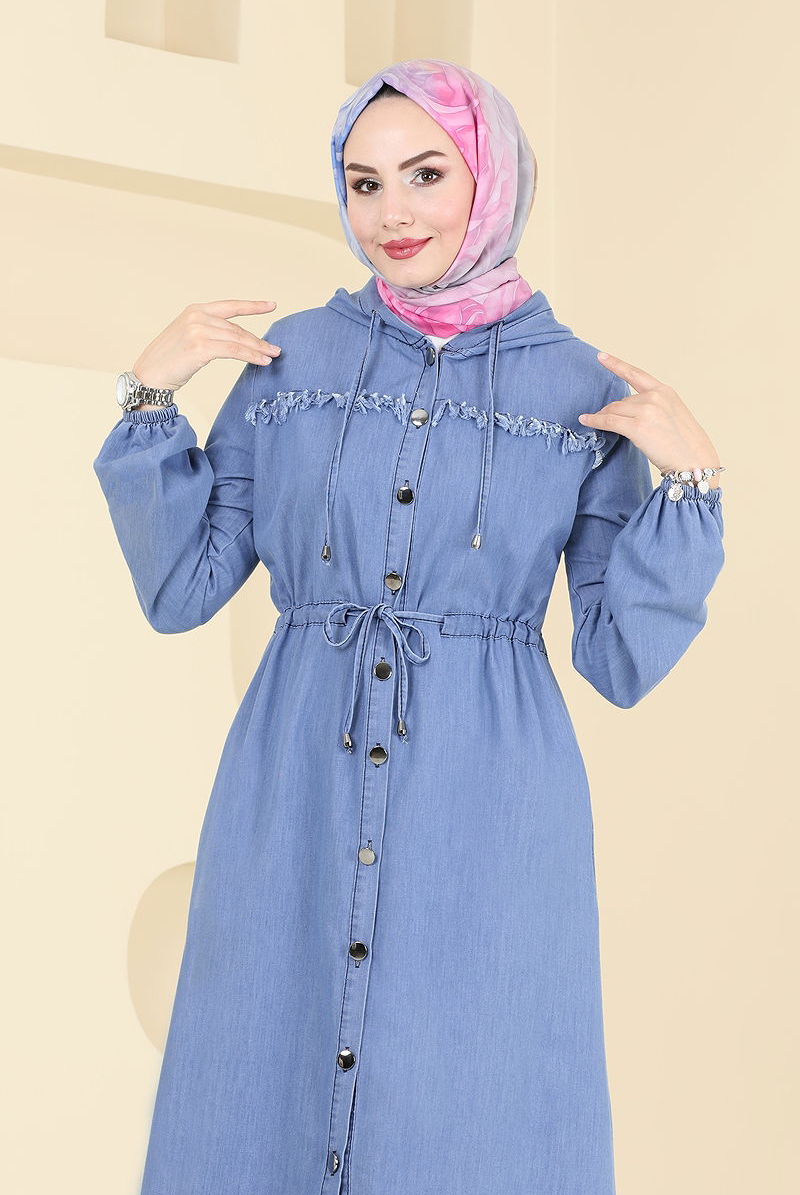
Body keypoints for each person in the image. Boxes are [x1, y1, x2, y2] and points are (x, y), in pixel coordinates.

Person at [93, 59, 725, 1195]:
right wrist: (151, 394)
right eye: (365, 182)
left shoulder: (575, 388)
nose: (392, 212)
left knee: (473, 1088)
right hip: (292, 783)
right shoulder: (292, 361)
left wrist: (689, 487)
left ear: (490, 177)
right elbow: (183, 585)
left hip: (489, 802)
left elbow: (619, 654)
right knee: (260, 1060)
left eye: (426, 174)